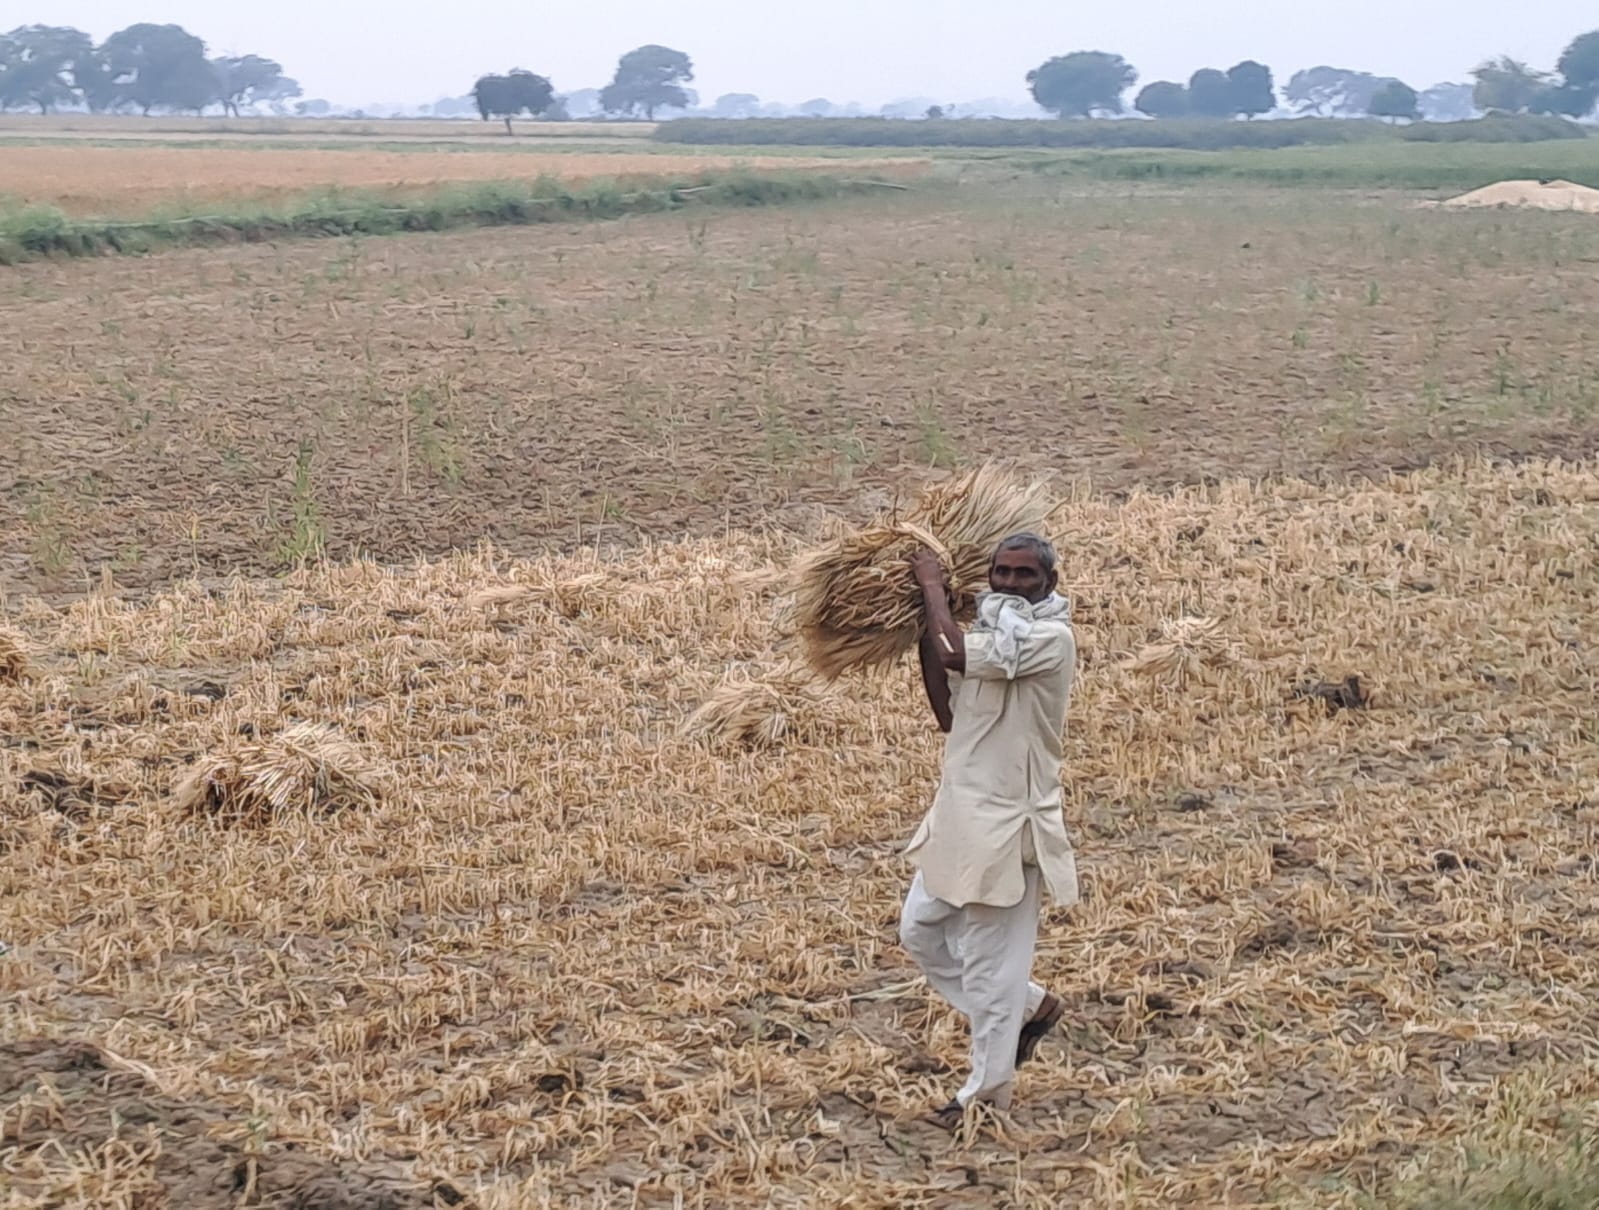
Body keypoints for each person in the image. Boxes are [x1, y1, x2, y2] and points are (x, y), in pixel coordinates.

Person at [899, 532, 1079, 1128]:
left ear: (1049, 583)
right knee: (920, 932)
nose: (1009, 584)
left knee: (988, 968)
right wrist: (924, 622)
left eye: (1025, 575)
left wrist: (930, 589)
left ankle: (983, 1098)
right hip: (958, 818)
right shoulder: (987, 638)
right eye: (1001, 572)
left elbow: (955, 654)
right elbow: (949, 709)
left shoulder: (1049, 640)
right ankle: (1031, 1006)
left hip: (1007, 826)